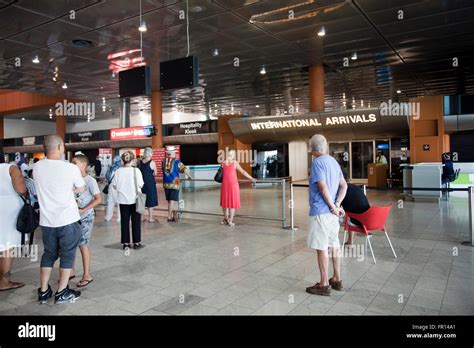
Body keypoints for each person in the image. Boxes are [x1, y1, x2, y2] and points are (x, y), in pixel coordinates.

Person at [34, 135, 84, 304]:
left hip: (47, 221)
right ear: (60, 147)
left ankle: (43, 291)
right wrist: (70, 190)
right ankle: (62, 291)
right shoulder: (70, 168)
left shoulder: (37, 167)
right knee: (67, 255)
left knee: (49, 254)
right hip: (67, 219)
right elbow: (81, 188)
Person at [306, 134, 347, 297]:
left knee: (322, 247)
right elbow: (344, 186)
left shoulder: (317, 163)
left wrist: (332, 206)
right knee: (334, 244)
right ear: (325, 147)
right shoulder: (333, 162)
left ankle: (323, 284)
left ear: (311, 149)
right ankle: (336, 278)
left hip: (321, 212)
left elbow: (322, 188)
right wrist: (337, 205)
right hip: (332, 215)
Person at [72, 154, 101, 288]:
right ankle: (70, 270)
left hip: (86, 216)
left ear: (83, 165)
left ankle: (87, 275)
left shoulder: (90, 180)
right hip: (72, 216)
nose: (72, 165)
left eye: (75, 162)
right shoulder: (71, 180)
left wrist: (84, 209)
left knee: (83, 244)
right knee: (70, 244)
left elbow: (98, 199)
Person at [0, 153, 26, 291]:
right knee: (7, 247)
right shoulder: (10, 168)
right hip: (7, 211)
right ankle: (4, 282)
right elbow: (21, 189)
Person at [112, 151, 145, 250]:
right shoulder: (136, 171)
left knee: (124, 222)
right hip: (135, 199)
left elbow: (114, 185)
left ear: (122, 160)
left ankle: (126, 243)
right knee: (136, 221)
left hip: (122, 200)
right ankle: (136, 243)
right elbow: (141, 184)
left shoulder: (118, 171)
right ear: (133, 160)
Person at [220, 149, 256, 226]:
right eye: (234, 154)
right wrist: (251, 178)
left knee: (225, 202)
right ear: (232, 155)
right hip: (233, 184)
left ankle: (226, 218)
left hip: (225, 184)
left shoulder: (222, 163)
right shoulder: (234, 162)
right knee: (232, 202)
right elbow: (243, 172)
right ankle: (230, 221)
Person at [162, 149, 193, 222]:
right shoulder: (177, 162)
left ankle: (174, 215)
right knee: (172, 200)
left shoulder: (163, 161)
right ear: (173, 154)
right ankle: (169, 216)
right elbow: (184, 169)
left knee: (170, 201)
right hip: (174, 184)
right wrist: (190, 176)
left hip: (166, 184)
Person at [139, 147, 158, 222]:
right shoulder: (152, 162)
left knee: (142, 200)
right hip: (150, 184)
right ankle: (150, 218)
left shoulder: (140, 162)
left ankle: (142, 217)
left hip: (142, 184)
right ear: (150, 153)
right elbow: (155, 173)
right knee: (150, 200)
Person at [104, 155, 122, 222]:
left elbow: (107, 177)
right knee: (119, 203)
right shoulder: (120, 169)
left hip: (110, 186)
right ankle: (119, 218)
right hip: (118, 187)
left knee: (110, 202)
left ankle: (108, 217)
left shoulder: (110, 168)